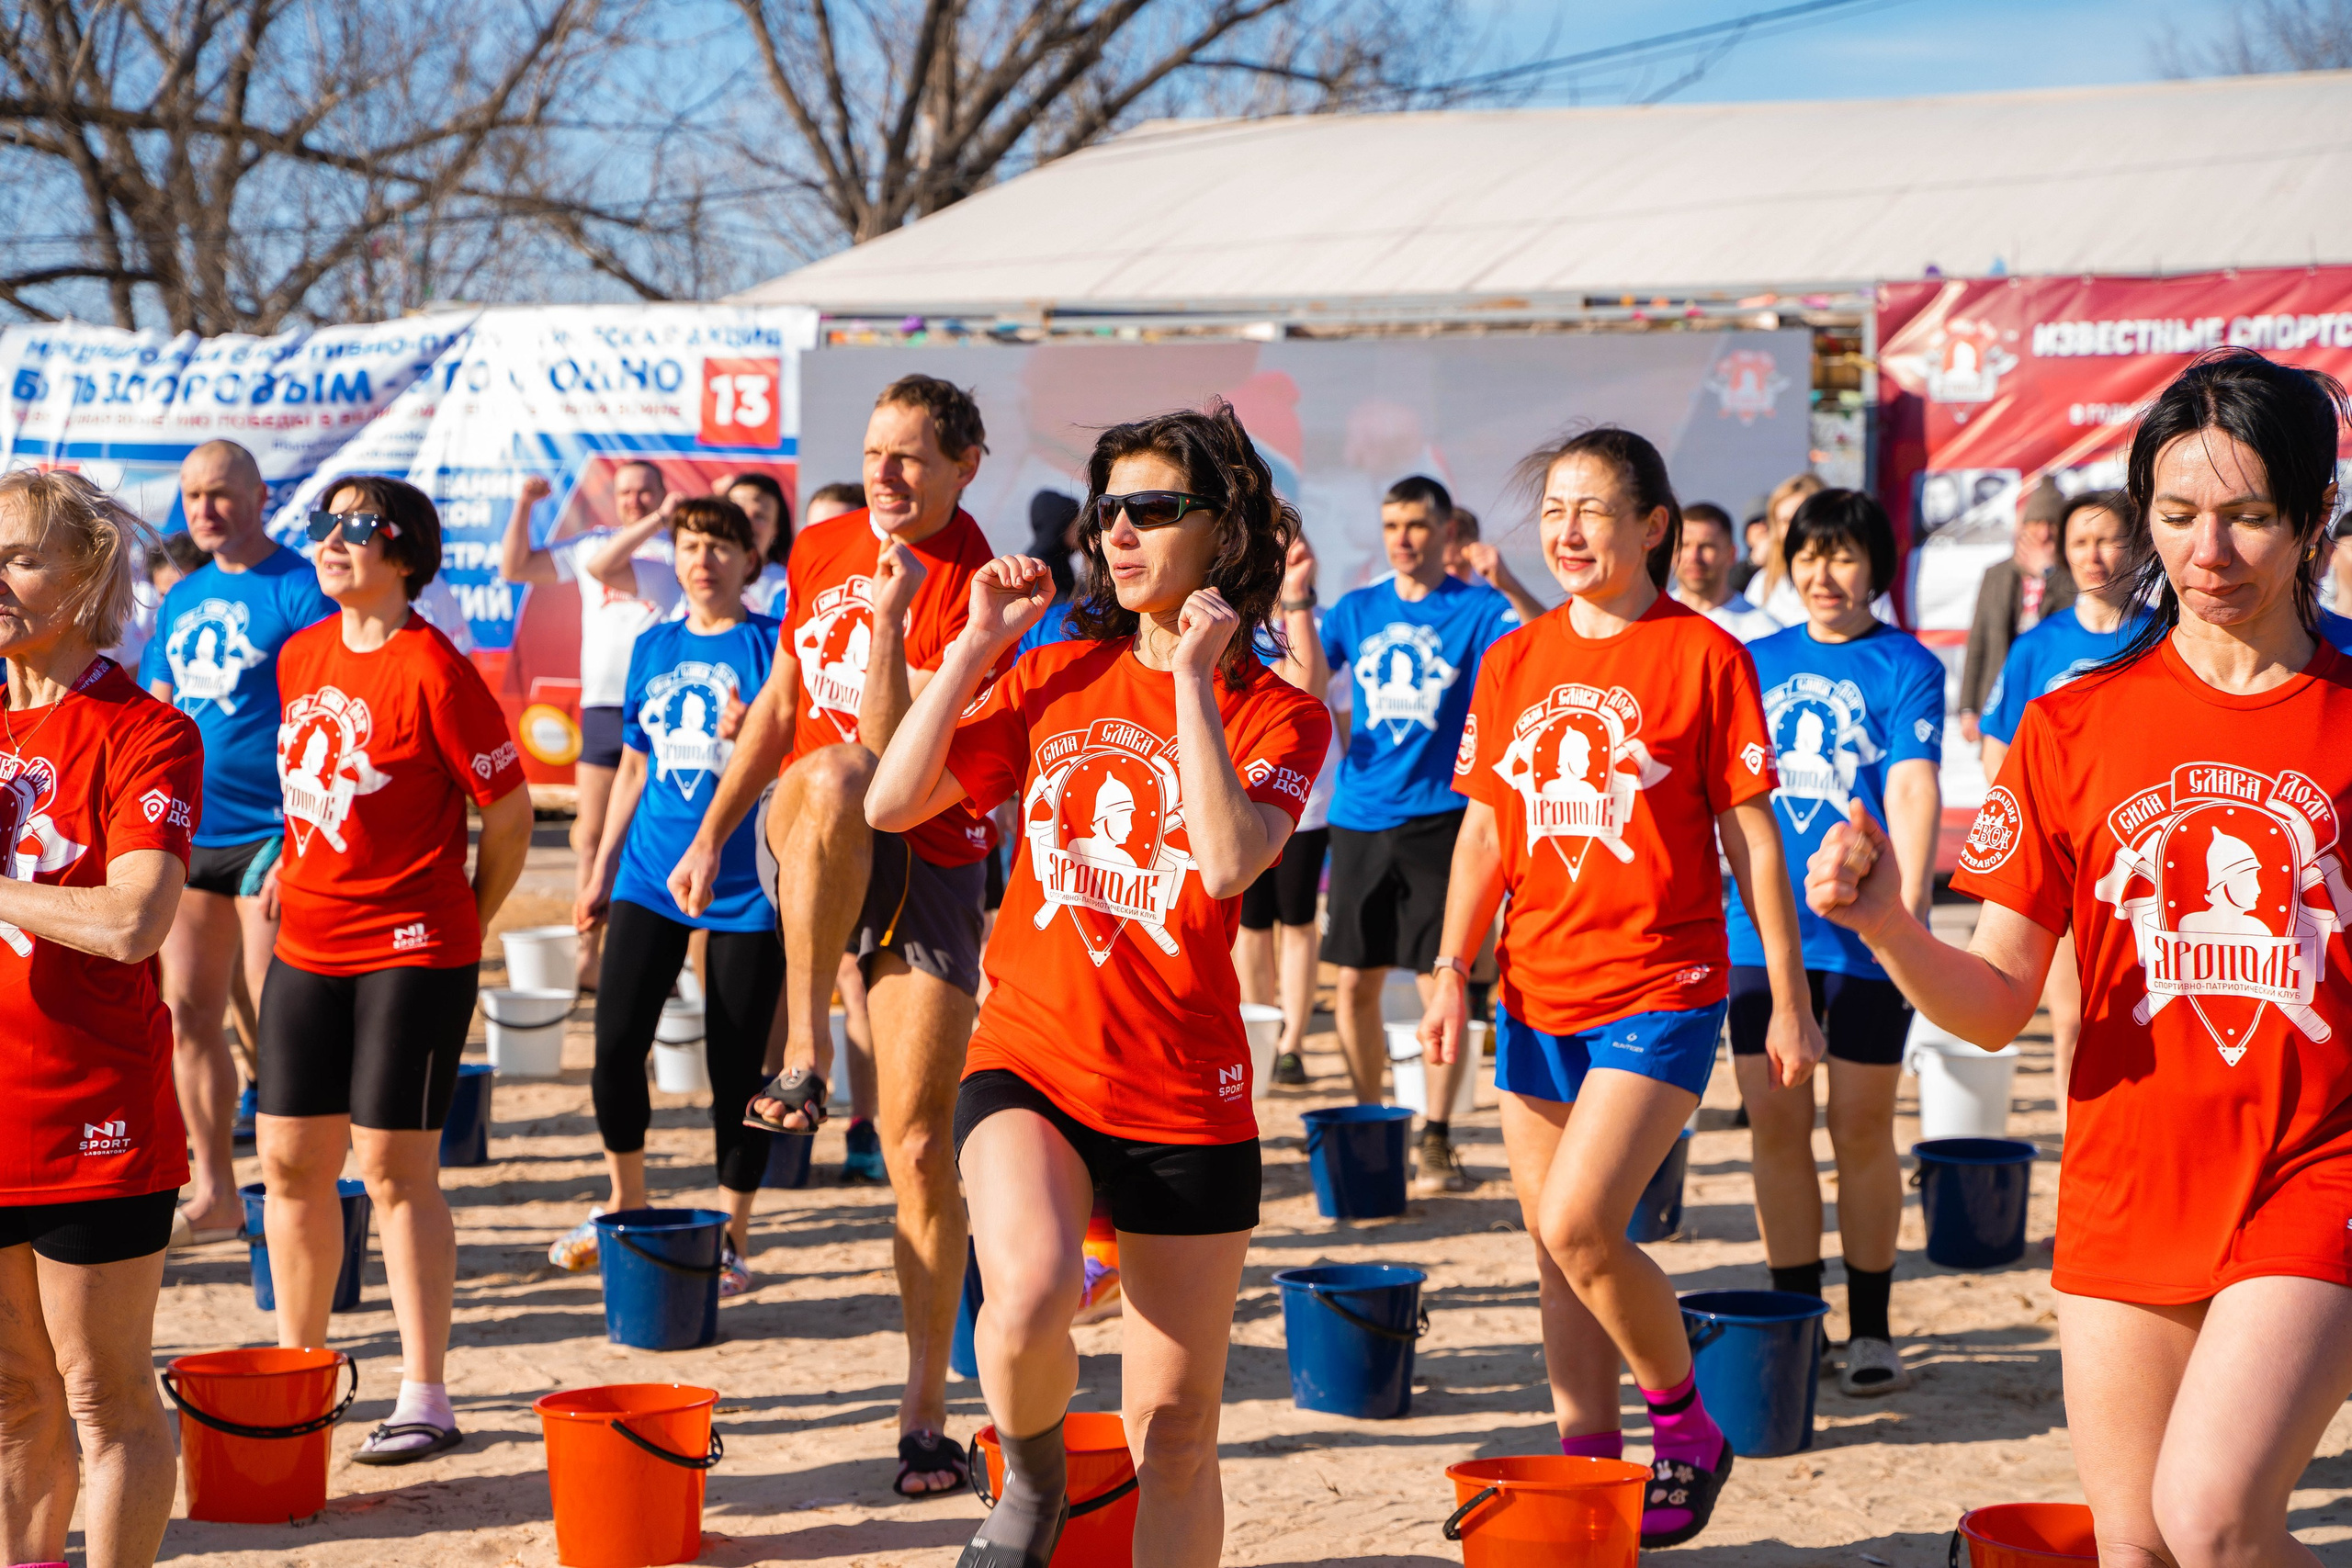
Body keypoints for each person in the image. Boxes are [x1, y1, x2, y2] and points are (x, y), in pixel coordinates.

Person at [1805, 347, 2352, 1568]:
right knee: (2137, 1548)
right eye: (2178, 514)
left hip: (2320, 1167)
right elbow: (1997, 1003)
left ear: (2317, 515)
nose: (2209, 552)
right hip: (2127, 1178)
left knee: (2212, 1516)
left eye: (2252, 515)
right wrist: (1891, 920)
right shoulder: (2070, 723)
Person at [865, 400, 1331, 1568]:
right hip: (1031, 1058)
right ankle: (1028, 1489)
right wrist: (974, 645)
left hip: (1187, 1094)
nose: (1118, 534)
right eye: (1107, 510)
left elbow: (1227, 860)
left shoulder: (1281, 711)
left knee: (1173, 1434)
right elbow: (891, 801)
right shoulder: (1053, 672)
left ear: (1225, 534)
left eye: (1152, 510)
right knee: (1023, 1299)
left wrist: (1189, 678)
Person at [1419, 426, 1823, 1550]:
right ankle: (1591, 1477)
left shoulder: (1706, 657)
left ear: (1654, 526)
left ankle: (1686, 1427)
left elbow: (1754, 843)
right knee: (1556, 1255)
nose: (1567, 530)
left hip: (1665, 982)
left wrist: (1784, 996)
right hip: (1534, 987)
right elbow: (1486, 834)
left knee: (1582, 1223)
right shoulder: (1513, 658)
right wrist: (1453, 966)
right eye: (1553, 507)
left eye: (1593, 508)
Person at [671, 376, 1004, 1498]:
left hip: (929, 852)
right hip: (807, 828)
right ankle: (808, 1052)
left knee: (916, 1146)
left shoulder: (985, 583)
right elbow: (779, 706)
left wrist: (899, 613)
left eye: (912, 458)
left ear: (967, 465)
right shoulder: (820, 548)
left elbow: (892, 763)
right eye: (874, 453)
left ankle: (923, 1406)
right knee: (819, 775)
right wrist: (710, 831)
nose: (886, 476)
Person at [260, 476, 531, 1464]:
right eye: (324, 525)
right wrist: (288, 866)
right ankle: (300, 1372)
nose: (333, 542)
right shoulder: (301, 654)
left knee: (393, 1172)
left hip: (412, 948)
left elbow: (507, 816)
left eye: (357, 527)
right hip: (307, 944)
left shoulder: (436, 670)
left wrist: (463, 919)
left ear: (406, 553)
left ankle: (425, 1393)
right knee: (289, 1165)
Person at [0, 470, 201, 1568]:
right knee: (12, 1397)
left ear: (87, 579)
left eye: (19, 557)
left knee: (101, 1391)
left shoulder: (146, 731)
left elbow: (133, 921)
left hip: (94, 1115)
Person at [1726, 489, 1944, 1396]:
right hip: (1755, 935)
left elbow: (1912, 789)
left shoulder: (1907, 664)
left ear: (1875, 568)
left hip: (1862, 942)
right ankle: (1794, 1320)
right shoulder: (1749, 659)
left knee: (1860, 1129)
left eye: (1844, 555)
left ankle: (1870, 1327)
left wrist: (1907, 914)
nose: (1824, 574)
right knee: (1775, 1127)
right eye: (1808, 555)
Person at [559, 498, 782, 1296]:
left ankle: (733, 1235)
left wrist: (757, 727)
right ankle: (625, 1202)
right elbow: (631, 767)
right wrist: (599, 870)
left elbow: (794, 770)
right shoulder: (652, 643)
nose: (704, 560)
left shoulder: (771, 647)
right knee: (616, 1045)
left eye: (721, 547)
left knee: (737, 1068)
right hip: (649, 875)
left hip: (745, 885)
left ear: (749, 561)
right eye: (691, 545)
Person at [140, 441, 338, 1248]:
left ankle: (305, 1191)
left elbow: (329, 715)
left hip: (272, 833)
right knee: (188, 1013)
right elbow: (154, 711)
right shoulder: (182, 597)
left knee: (275, 1019)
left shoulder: (300, 588)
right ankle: (217, 1190)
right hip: (190, 836)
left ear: (259, 494)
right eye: (192, 496)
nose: (205, 509)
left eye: (221, 493)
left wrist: (301, 840)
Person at [1321, 475, 1519, 1190]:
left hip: (1443, 818)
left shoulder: (1479, 608)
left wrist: (1512, 581)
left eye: (1415, 525)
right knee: (1352, 982)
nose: (1401, 538)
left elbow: (1540, 649)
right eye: (1391, 525)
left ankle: (1435, 1134)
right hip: (1360, 814)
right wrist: (1291, 594)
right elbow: (1307, 679)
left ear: (1445, 533)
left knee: (1447, 979)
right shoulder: (1356, 607)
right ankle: (1373, 1118)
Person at [1977, 490, 2146, 1127]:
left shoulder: (2164, 635)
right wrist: (2039, 841)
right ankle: (2079, 1140)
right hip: (2068, 867)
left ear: (2138, 545)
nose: (2094, 555)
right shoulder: (2035, 648)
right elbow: (2000, 755)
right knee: (2073, 1018)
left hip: (2142, 867)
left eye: (2107, 539)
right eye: (2080, 541)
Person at [499, 460, 680, 989]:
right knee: (594, 836)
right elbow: (516, 567)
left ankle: (654, 959)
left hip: (663, 705)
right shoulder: (592, 545)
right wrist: (525, 505)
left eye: (647, 492)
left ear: (665, 494)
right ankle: (589, 955)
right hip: (604, 705)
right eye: (626, 493)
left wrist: (666, 523)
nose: (636, 502)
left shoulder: (680, 550)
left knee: (661, 835)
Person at [1236, 535, 1336, 1088]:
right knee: (1251, 928)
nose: (1277, 561)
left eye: (1288, 550)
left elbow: (1310, 693)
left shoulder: (1313, 619)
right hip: (1242, 796)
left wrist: (1296, 597)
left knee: (1296, 924)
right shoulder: (1231, 618)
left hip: (1304, 802)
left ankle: (1293, 1041)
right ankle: (1261, 1033)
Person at [1956, 476, 2077, 744]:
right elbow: (1978, 641)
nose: (2043, 533)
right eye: (2036, 523)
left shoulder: (2074, 577)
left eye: (2051, 524)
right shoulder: (1997, 575)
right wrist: (1968, 708)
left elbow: (2074, 622)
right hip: (2000, 701)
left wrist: (2049, 574)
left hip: (2052, 702)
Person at [1669, 501, 1781, 643]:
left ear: (1731, 554)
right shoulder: (1649, 618)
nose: (1693, 557)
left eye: (1706, 546)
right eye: (1685, 545)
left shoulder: (1764, 632)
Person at [1442, 505, 1547, 624]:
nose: (1453, 573)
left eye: (1462, 566)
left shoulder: (1493, 596)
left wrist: (1510, 585)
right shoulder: (1420, 597)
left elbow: (1544, 631)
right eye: (1444, 566)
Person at [1014, 490, 1087, 656]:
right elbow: (1060, 615)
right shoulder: (1037, 569)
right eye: (1075, 524)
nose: (1081, 530)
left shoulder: (1059, 561)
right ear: (1058, 527)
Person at [1749, 472, 1823, 623]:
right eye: (1785, 521)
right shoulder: (1763, 583)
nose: (1792, 530)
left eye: (1799, 519)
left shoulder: (1853, 581)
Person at [723, 472, 795, 615]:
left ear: (776, 528)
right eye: (739, 511)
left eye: (760, 517)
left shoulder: (788, 588)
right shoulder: (696, 572)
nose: (747, 522)